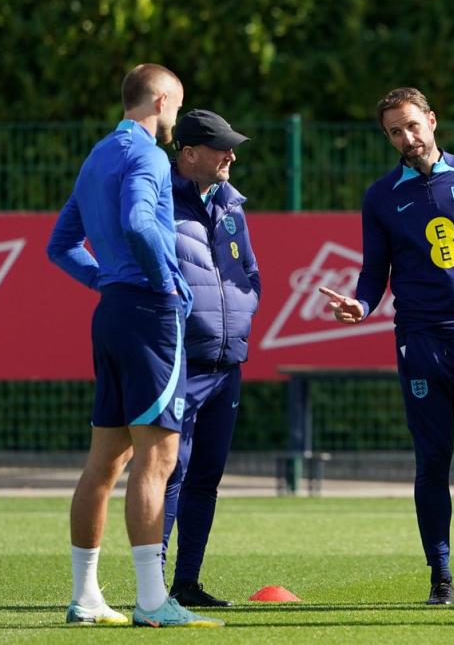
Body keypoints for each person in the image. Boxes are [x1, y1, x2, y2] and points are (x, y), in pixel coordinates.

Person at [318, 87, 454, 606]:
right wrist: (362, 306)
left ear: (432, 121)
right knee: (432, 461)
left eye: (413, 125)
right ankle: (440, 573)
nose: (407, 138)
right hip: (423, 345)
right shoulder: (382, 196)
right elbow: (374, 273)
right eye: (395, 131)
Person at [46, 64, 223, 628]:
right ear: (163, 100)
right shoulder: (147, 154)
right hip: (149, 314)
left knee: (106, 459)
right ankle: (151, 602)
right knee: (159, 455)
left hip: (114, 312)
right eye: (177, 105)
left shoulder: (99, 153)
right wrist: (165, 281)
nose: (175, 117)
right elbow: (142, 223)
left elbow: (61, 244)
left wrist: (105, 280)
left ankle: (86, 598)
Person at [161, 109, 260, 607]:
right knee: (169, 473)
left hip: (228, 365)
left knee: (206, 477)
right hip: (180, 363)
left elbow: (251, 277)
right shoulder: (159, 203)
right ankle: (151, 586)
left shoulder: (231, 207)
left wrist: (242, 317)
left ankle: (187, 583)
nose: (231, 155)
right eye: (222, 147)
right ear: (189, 154)